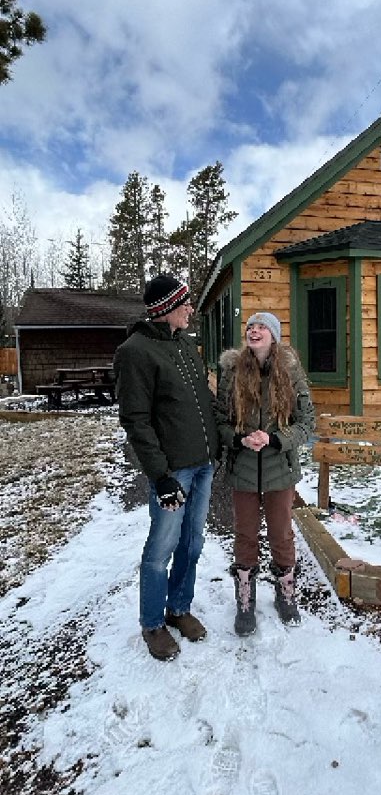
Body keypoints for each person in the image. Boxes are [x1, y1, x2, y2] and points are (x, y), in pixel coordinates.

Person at [114, 274, 219, 662]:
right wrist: (160, 477)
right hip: (174, 472)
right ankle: (153, 623)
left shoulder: (186, 344)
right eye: (184, 303)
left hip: (203, 465)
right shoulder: (135, 352)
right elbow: (136, 421)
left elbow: (204, 402)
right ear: (166, 309)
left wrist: (221, 443)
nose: (191, 309)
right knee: (161, 548)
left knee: (193, 544)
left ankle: (179, 608)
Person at [215, 311, 315, 636]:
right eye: (250, 327)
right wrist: (239, 439)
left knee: (281, 534)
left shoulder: (291, 372)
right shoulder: (232, 372)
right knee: (245, 534)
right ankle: (245, 601)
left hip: (280, 469)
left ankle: (286, 594)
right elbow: (219, 421)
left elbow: (306, 423)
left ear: (274, 336)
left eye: (262, 327)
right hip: (242, 468)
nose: (254, 331)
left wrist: (274, 439)